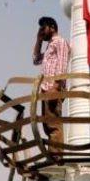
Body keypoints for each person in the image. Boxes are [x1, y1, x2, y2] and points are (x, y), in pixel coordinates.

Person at [33, 16, 70, 154]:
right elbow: (36, 59)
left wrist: (56, 86)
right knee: (47, 124)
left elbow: (62, 64)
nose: (42, 30)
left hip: (53, 87)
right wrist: (38, 40)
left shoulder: (60, 42)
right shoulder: (49, 47)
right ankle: (53, 152)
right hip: (46, 88)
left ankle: (57, 155)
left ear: (52, 27)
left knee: (54, 123)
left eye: (44, 27)